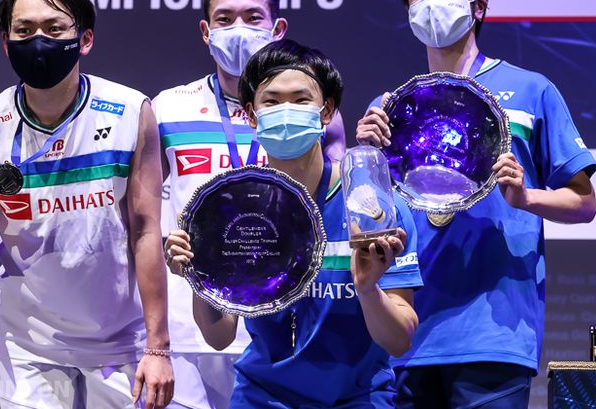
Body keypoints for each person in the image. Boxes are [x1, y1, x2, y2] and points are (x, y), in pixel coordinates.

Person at [356, 0, 596, 407]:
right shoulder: (387, 109)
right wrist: (366, 158)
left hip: (495, 336)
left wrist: (526, 198)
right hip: (404, 338)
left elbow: (584, 203)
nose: (432, 0)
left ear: (478, 5)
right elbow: (370, 220)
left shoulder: (532, 90)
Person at [0, 0, 173, 409]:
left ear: (84, 39)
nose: (38, 41)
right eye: (24, 30)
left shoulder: (131, 112)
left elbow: (146, 232)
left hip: (121, 340)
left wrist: (158, 346)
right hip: (28, 344)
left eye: (54, 29)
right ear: (6, 41)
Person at [165, 39, 423, 408]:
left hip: (358, 399)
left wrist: (368, 290)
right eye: (271, 101)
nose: (286, 110)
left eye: (301, 100)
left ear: (326, 111)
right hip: (262, 398)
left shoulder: (376, 209)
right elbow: (219, 336)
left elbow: (399, 341)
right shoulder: (231, 211)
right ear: (252, 115)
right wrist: (197, 278)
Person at [152, 0, 345, 409]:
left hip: (281, 328)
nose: (238, 28)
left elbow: (331, 218)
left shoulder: (308, 115)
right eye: (225, 18)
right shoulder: (166, 109)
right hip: (190, 330)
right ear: (205, 31)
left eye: (252, 17)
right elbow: (141, 226)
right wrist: (154, 340)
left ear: (276, 28)